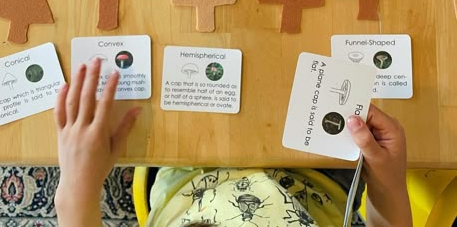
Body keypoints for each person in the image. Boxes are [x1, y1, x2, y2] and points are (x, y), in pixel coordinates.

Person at [54, 59, 412, 227]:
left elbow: (74, 211)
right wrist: (387, 183)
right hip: (321, 181)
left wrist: (77, 184)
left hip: (186, 179)